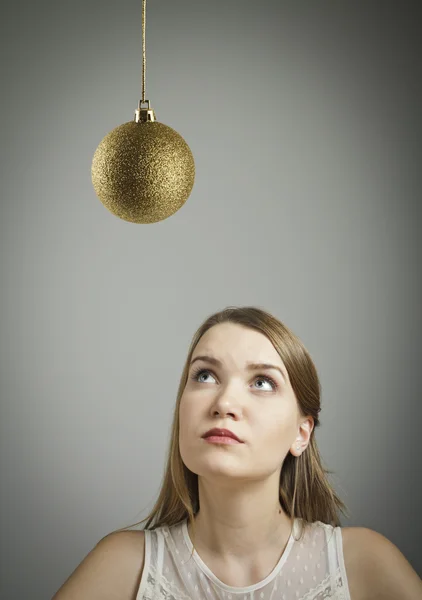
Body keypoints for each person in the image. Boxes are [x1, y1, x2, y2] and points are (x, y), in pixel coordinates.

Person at [52, 306, 422, 599]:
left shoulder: (364, 565)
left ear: (302, 432)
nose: (224, 402)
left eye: (262, 382)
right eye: (205, 376)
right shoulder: (123, 568)